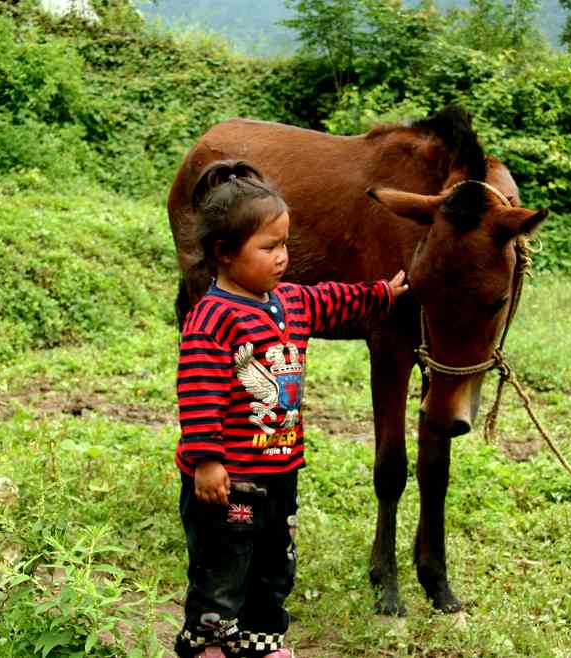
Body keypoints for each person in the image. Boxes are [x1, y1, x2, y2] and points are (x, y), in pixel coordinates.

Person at [173, 160, 408, 658]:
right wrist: (207, 462)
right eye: (270, 247)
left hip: (280, 472)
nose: (283, 257)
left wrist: (383, 293)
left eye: (284, 244)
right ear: (224, 253)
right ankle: (209, 644)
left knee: (273, 566)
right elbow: (198, 394)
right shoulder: (211, 319)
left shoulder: (291, 302)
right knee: (223, 566)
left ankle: (260, 641)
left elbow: (335, 300)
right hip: (228, 479)